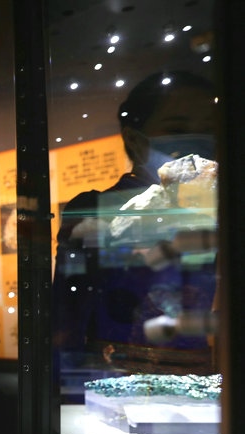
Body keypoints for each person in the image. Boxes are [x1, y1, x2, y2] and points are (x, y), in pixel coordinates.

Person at [53, 70, 217, 378]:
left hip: (202, 375)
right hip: (113, 377)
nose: (197, 143)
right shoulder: (95, 208)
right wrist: (64, 383)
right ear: (134, 138)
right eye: (177, 129)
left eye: (209, 130)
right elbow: (68, 311)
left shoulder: (219, 208)